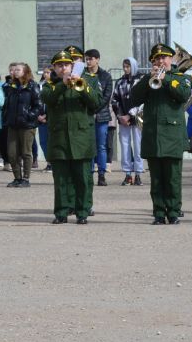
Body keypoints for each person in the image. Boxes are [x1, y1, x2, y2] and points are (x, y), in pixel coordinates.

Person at [128, 44, 192, 224]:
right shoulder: (147, 80)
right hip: (152, 135)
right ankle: (158, 213)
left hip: (172, 135)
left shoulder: (180, 78)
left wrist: (165, 80)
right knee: (156, 180)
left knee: (172, 178)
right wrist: (147, 80)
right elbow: (134, 97)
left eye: (164, 57)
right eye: (156, 59)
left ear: (171, 59)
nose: (160, 61)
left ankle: (173, 212)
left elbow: (184, 95)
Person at [40, 50, 100, 224]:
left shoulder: (88, 80)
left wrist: (80, 85)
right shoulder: (49, 85)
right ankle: (61, 212)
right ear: (54, 68)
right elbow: (48, 99)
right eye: (59, 65)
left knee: (83, 179)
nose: (63, 68)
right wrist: (63, 85)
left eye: (66, 65)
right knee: (61, 180)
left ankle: (82, 212)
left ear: (72, 66)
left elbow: (95, 103)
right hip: (59, 139)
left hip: (82, 139)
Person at [3, 63, 41, 188]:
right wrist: (6, 117)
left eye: (18, 69)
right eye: (14, 70)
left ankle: (26, 179)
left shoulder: (32, 86)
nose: (15, 71)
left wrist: (28, 115)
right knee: (12, 153)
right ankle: (17, 178)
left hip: (27, 125)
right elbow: (7, 104)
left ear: (25, 72)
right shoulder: (12, 86)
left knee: (26, 152)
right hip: (13, 124)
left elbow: (38, 105)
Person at [111, 57, 144, 186]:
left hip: (137, 118)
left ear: (134, 66)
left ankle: (138, 174)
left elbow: (143, 100)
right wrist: (120, 116)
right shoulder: (120, 82)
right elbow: (115, 100)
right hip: (123, 119)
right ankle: (127, 174)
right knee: (125, 146)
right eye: (124, 66)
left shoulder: (141, 80)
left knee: (138, 146)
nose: (125, 69)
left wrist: (131, 115)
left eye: (128, 66)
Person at [84, 49, 114, 186]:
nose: (88, 61)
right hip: (86, 115)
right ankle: (89, 172)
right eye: (86, 59)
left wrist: (95, 108)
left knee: (101, 146)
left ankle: (101, 174)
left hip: (101, 115)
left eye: (90, 59)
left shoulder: (106, 76)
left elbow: (106, 96)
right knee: (89, 145)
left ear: (97, 59)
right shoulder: (82, 74)